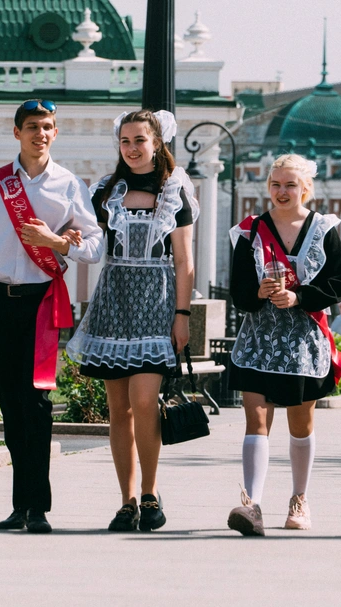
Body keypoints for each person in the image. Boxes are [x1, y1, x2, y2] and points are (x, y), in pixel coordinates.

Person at [0, 100, 103, 534]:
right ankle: (19, 505)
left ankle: (37, 507)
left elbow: (95, 246)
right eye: (32, 127)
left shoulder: (69, 184)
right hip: (0, 301)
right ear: (17, 133)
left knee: (37, 403)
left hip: (43, 301)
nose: (40, 134)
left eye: (47, 126)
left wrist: (57, 243)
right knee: (9, 403)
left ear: (55, 132)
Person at [65, 109, 197, 532]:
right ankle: (127, 501)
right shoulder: (105, 192)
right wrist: (66, 239)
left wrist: (182, 315)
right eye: (125, 141)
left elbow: (184, 261)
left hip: (157, 303)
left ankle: (150, 492)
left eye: (140, 140)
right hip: (114, 302)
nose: (132, 148)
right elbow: (89, 243)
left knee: (143, 401)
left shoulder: (174, 192)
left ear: (157, 143)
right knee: (117, 409)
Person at [225, 153, 341, 536]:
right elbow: (238, 290)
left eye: (290, 185)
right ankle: (252, 505)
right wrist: (258, 292)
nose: (282, 191)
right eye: (276, 184)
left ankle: (299, 498)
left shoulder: (323, 229)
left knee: (300, 423)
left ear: (305, 188)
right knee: (256, 419)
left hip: (303, 343)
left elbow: (338, 283)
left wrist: (299, 297)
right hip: (258, 340)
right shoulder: (250, 231)